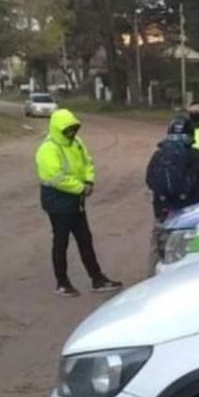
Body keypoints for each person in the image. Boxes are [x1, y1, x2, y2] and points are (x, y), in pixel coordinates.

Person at [35, 109, 122, 297]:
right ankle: (62, 283)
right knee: (61, 242)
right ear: (58, 129)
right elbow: (57, 178)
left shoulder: (76, 143)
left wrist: (89, 181)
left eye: (74, 129)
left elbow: (87, 162)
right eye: (68, 130)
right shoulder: (48, 149)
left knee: (85, 240)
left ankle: (97, 279)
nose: (72, 133)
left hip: (76, 200)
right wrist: (81, 188)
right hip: (57, 201)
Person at [146, 116, 199, 220]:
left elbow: (149, 179)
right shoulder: (196, 155)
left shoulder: (158, 154)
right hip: (191, 205)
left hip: (162, 206)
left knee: (159, 226)